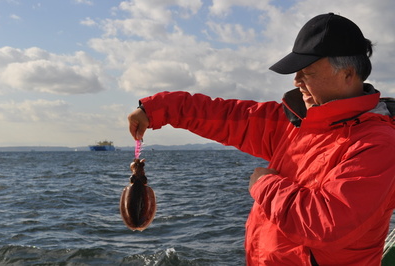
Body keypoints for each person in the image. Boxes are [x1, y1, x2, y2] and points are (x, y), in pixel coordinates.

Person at [127, 13, 395, 265]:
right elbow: (228, 116)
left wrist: (265, 184)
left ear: (348, 74)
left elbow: (327, 224)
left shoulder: (378, 144)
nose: (296, 80)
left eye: (308, 72)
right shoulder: (294, 121)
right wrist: (159, 109)